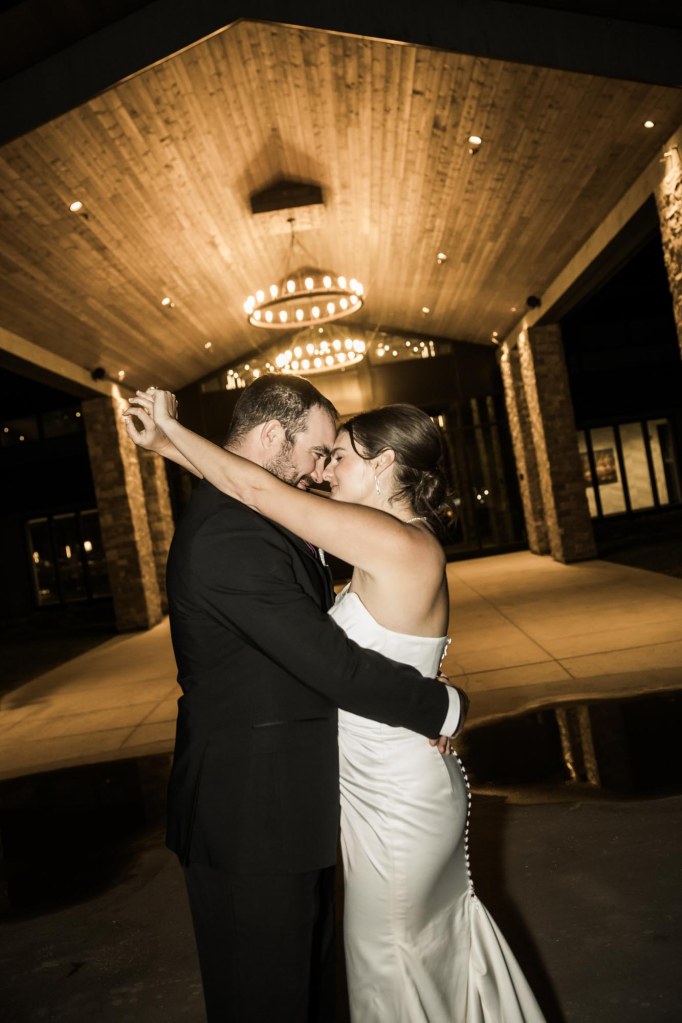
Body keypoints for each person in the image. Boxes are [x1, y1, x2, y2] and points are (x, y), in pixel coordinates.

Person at [127, 381, 547, 1023]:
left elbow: (259, 487)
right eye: (322, 452)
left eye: (337, 456)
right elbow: (254, 486)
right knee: (380, 957)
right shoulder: (335, 533)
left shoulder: (390, 541)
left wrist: (167, 437)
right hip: (316, 790)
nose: (323, 470)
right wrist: (168, 446)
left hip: (390, 783)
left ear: (382, 465)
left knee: (390, 954)